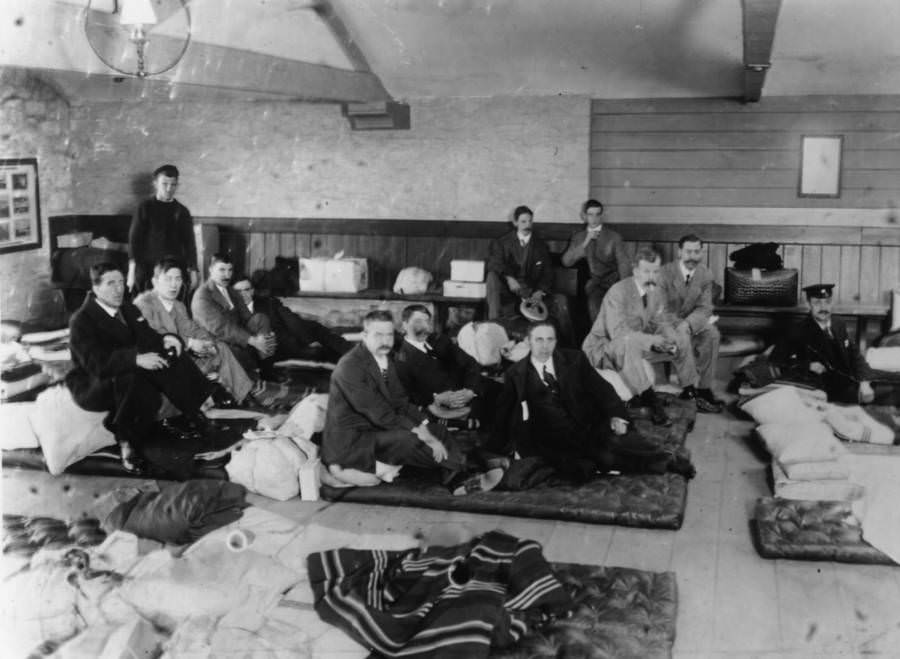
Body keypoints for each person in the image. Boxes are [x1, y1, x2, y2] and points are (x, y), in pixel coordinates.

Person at [490, 321, 695, 483]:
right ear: (528, 342)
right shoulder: (516, 374)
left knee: (619, 443)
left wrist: (617, 416)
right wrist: (494, 451)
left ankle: (667, 460)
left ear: (556, 341)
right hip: (553, 440)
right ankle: (650, 460)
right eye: (539, 340)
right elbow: (502, 414)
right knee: (600, 461)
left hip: (589, 425)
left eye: (550, 340)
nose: (545, 346)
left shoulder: (574, 360)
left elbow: (604, 390)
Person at [321, 310, 501, 493]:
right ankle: (462, 474)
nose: (385, 341)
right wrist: (424, 435)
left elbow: (401, 402)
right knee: (408, 439)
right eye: (378, 335)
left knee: (438, 430)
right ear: (364, 335)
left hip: (378, 429)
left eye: (389, 335)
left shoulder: (383, 359)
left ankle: (456, 475)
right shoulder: (350, 366)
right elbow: (382, 416)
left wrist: (425, 423)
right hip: (354, 442)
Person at [66, 262, 219, 472]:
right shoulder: (81, 320)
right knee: (134, 376)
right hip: (93, 383)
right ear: (96, 288)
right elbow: (96, 364)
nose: (119, 289)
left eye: (121, 282)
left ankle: (196, 410)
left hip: (124, 368)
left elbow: (148, 337)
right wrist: (135, 359)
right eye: (111, 283)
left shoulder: (127, 308)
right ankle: (126, 442)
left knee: (170, 354)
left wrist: (168, 339)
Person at [582, 247, 700, 425]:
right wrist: (653, 341)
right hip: (605, 348)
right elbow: (618, 333)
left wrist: (670, 339)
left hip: (635, 346)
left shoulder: (656, 291)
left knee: (680, 337)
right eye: (646, 271)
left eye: (655, 271)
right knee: (628, 342)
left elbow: (660, 321)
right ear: (635, 270)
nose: (651, 277)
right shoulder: (618, 291)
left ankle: (689, 389)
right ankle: (650, 400)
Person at [134, 258, 259, 406]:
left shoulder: (178, 305)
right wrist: (191, 343)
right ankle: (217, 395)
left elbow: (192, 328)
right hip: (161, 364)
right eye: (168, 279)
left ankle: (243, 396)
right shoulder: (144, 304)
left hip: (182, 358)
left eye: (178, 279)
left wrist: (209, 343)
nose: (174, 284)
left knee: (220, 348)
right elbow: (156, 337)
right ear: (155, 281)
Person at [394, 304, 501, 428]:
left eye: (427, 321)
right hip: (441, 408)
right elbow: (408, 397)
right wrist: (436, 398)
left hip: (470, 393)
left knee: (505, 391)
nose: (424, 326)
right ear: (405, 325)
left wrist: (470, 390)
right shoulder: (401, 359)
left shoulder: (440, 341)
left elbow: (471, 363)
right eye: (418, 321)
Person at [771, 284, 875, 404]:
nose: (823, 308)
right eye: (817, 303)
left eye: (827, 302)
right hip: (820, 392)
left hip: (848, 384)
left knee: (884, 389)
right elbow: (775, 361)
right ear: (808, 304)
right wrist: (807, 366)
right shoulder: (798, 331)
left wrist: (864, 382)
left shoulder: (839, 323)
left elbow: (855, 355)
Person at [485, 205, 573, 343]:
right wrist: (509, 278)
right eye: (523, 221)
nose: (527, 225)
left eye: (530, 221)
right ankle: (493, 331)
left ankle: (569, 346)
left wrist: (540, 291)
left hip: (533, 295)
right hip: (509, 294)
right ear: (515, 222)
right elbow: (494, 264)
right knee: (491, 276)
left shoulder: (541, 245)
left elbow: (548, 273)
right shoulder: (501, 243)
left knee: (561, 301)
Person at [657, 234, 724, 412]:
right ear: (679, 252)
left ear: (701, 253)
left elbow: (705, 307)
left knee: (712, 333)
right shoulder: (664, 273)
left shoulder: (705, 274)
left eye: (696, 252)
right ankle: (688, 389)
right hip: (665, 323)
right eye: (688, 252)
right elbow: (660, 310)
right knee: (682, 335)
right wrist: (682, 325)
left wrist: (688, 324)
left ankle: (704, 389)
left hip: (689, 322)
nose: (692, 256)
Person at [231, 272, 352, 364]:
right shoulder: (231, 311)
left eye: (247, 290)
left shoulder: (269, 302)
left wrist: (308, 340)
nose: (243, 294)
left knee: (315, 328)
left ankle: (353, 352)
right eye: (238, 291)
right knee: (319, 352)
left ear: (252, 291)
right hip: (270, 349)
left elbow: (291, 319)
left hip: (290, 338)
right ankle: (348, 358)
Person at [191, 253, 276, 376]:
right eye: (222, 270)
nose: (227, 275)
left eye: (230, 270)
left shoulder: (231, 291)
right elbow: (220, 328)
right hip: (217, 343)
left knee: (260, 319)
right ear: (211, 270)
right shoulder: (203, 295)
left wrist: (266, 335)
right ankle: (264, 371)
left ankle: (266, 370)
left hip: (236, 338)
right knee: (254, 343)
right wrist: (252, 340)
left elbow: (247, 317)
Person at [128, 164, 197, 297]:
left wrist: (193, 271)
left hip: (174, 270)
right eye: (164, 184)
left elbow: (190, 244)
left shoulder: (182, 211)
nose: (169, 188)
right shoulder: (144, 208)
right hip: (148, 270)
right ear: (155, 184)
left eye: (173, 185)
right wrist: (131, 273)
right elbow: (134, 241)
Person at [560, 199, 631, 321]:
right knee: (594, 310)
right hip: (594, 285)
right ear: (584, 216)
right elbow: (566, 262)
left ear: (602, 216)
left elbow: (623, 263)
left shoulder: (614, 237)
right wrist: (585, 241)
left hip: (614, 283)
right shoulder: (579, 237)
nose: (594, 218)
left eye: (598, 214)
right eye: (590, 214)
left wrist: (624, 289)